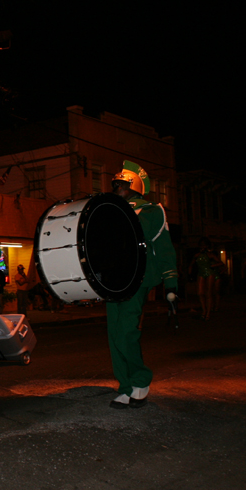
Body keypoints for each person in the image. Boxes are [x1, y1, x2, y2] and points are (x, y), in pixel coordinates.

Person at [107, 161, 178, 409]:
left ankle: (140, 380)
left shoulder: (151, 211)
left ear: (134, 186)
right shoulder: (109, 210)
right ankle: (125, 386)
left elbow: (165, 248)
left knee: (127, 331)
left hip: (137, 278)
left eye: (121, 184)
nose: (115, 187)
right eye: (114, 183)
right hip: (112, 279)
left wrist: (171, 282)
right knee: (115, 335)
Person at [188, 238, 222, 320]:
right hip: (201, 273)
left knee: (208, 292)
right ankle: (204, 310)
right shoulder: (197, 255)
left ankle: (208, 312)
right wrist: (189, 274)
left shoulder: (211, 255)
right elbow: (191, 264)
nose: (203, 246)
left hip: (209, 273)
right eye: (201, 245)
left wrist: (213, 266)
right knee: (200, 293)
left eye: (204, 245)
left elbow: (220, 263)